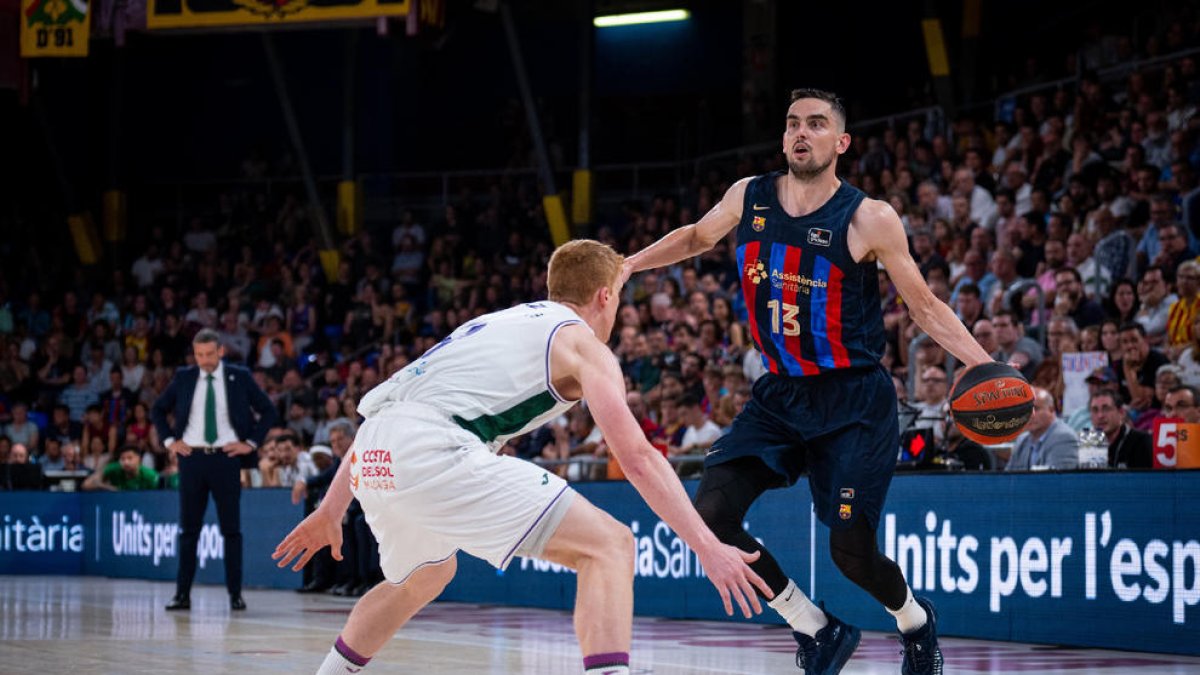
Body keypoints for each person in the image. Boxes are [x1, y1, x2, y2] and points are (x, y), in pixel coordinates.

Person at [621, 89, 994, 674]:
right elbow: (696, 236)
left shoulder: (870, 217)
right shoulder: (749, 196)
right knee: (711, 514)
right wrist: (627, 266)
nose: (801, 132)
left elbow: (921, 304)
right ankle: (815, 627)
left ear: (840, 143)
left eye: (817, 124)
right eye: (794, 122)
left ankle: (916, 623)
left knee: (851, 554)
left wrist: (981, 362)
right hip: (781, 394)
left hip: (855, 403)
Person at [273, 240, 769, 675]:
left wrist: (331, 510)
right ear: (605, 297)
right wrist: (705, 544)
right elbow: (637, 456)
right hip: (433, 447)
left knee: (423, 576)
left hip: (375, 450)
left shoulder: (497, 322)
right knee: (609, 547)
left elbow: (384, 413)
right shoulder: (583, 343)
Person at [152, 329, 278, 612]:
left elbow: (268, 410)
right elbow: (158, 409)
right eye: (199, 355)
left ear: (220, 351)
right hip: (192, 459)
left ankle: (235, 594)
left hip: (226, 458)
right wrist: (171, 441)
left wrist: (251, 443)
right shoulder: (184, 377)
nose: (205, 360)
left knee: (231, 530)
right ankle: (181, 594)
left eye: (209, 354)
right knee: (188, 531)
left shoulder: (239, 376)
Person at [1005, 388, 1080, 471]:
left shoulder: (1064, 437)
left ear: (1051, 410)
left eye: (1036, 409)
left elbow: (1058, 481)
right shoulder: (1022, 440)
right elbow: (1008, 479)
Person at [1089, 391, 1153, 469]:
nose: (1100, 416)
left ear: (1121, 413)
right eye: (1095, 410)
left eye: (1106, 409)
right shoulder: (1088, 443)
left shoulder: (1142, 441)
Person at [82, 445, 159, 491]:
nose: (126, 462)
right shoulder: (114, 468)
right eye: (122, 459)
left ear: (138, 459)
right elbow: (86, 484)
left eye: (130, 458)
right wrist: (109, 488)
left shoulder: (150, 476)